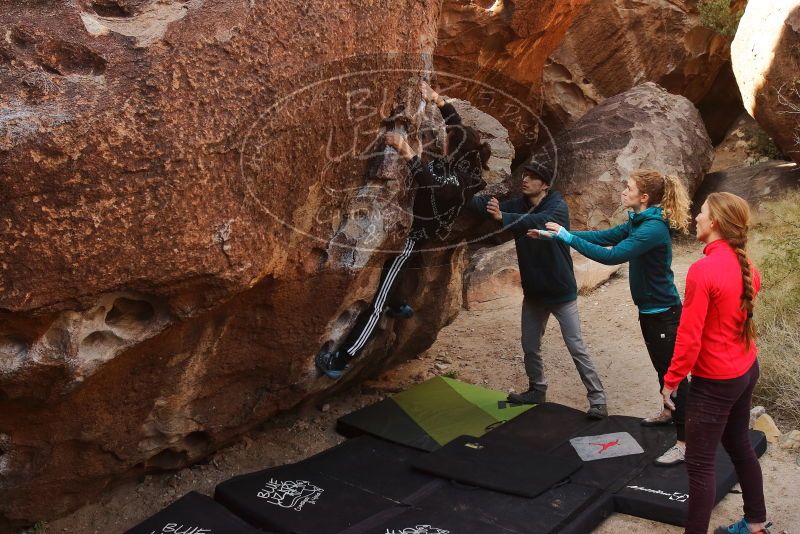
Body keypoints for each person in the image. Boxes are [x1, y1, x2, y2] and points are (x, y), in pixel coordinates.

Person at [315, 81, 492, 379]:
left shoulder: (459, 180)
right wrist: (437, 99)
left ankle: (342, 360)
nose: (443, 140)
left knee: (378, 302)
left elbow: (432, 184)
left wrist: (406, 151)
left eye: (448, 140)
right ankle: (399, 302)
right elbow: (456, 124)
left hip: (413, 238)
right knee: (392, 279)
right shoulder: (470, 158)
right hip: (413, 229)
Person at [533, 169, 692, 465]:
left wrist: (566, 237)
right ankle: (669, 413)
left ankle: (685, 442)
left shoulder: (652, 229)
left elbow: (612, 255)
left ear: (643, 197)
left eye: (628, 187)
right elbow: (605, 236)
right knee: (663, 370)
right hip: (651, 312)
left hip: (664, 314)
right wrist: (558, 235)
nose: (623, 191)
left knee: (676, 377)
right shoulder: (638, 220)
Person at [661, 192, 768, 534]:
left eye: (701, 212)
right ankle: (755, 524)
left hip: (717, 382)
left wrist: (672, 379)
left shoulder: (703, 270)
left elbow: (689, 336)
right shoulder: (747, 266)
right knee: (738, 444)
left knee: (700, 464)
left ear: (715, 223)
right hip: (745, 370)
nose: (696, 217)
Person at [470, 161, 608, 419]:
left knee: (576, 347)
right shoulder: (519, 205)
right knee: (530, 345)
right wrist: (457, 191)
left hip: (560, 292)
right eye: (525, 175)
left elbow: (542, 222)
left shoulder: (557, 206)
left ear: (544, 185)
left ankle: (598, 400)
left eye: (533, 178)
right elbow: (486, 208)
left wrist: (505, 217)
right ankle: (537, 390)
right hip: (534, 294)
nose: (525, 180)